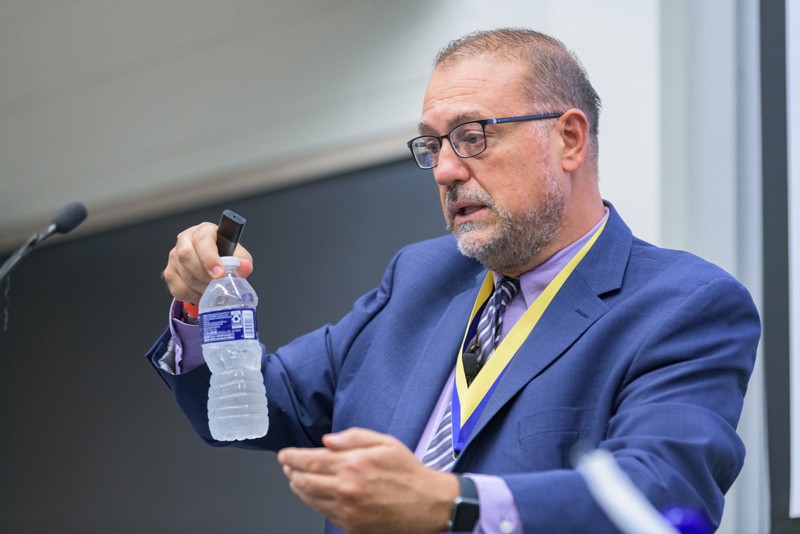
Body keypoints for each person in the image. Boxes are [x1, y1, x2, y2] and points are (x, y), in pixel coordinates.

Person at [148, 28, 760, 533]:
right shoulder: (421, 276)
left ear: (569, 139)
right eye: (434, 145)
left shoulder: (681, 304)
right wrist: (202, 308)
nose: (444, 170)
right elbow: (263, 405)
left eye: (472, 137)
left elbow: (659, 497)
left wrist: (452, 503)